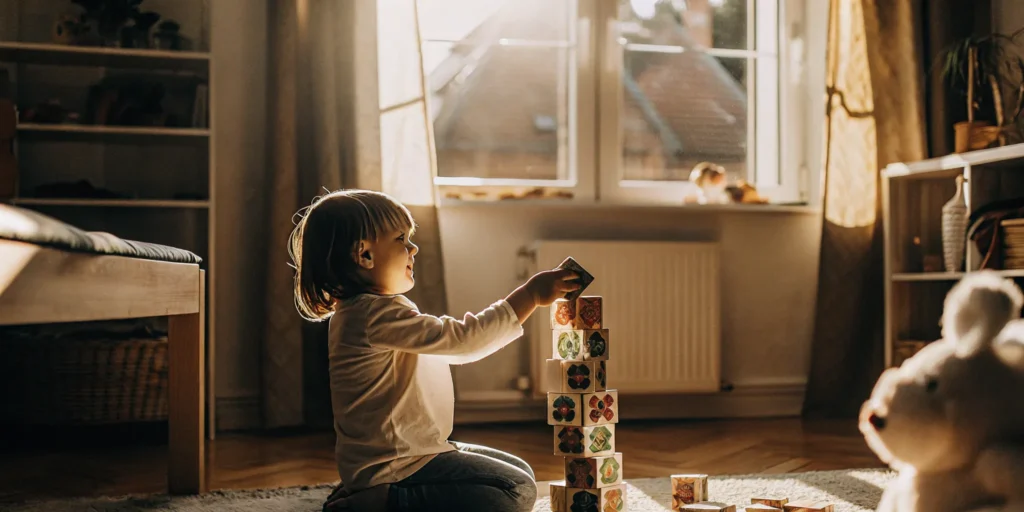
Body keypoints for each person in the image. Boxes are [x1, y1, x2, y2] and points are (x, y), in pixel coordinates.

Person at [288, 189, 580, 511]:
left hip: (403, 453)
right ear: (365, 255)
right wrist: (530, 296)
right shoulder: (375, 315)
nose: (413, 248)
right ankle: (384, 500)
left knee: (520, 472)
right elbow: (464, 340)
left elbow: (453, 344)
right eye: (401, 239)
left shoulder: (362, 312)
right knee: (518, 490)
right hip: (398, 461)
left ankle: (367, 489)